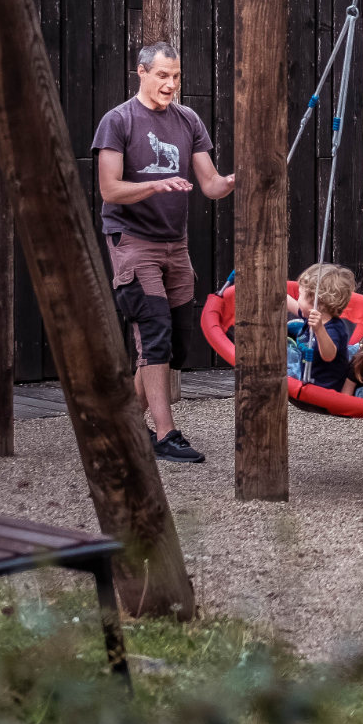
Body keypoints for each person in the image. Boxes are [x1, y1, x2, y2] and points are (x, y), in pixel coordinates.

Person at [94, 41, 234, 463]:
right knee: (153, 335)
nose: (170, 84)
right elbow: (109, 189)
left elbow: (210, 185)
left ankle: (122, 425)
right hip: (133, 242)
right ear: (141, 72)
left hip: (176, 246)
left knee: (173, 346)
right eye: (162, 76)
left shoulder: (188, 120)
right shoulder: (118, 121)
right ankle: (166, 433)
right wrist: (156, 184)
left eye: (175, 77)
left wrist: (238, 178)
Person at [285, 264, 357, 391]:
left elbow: (329, 355)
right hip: (307, 369)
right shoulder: (310, 314)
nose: (298, 297)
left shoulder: (334, 329)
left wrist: (319, 330)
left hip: (324, 386)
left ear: (317, 303)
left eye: (300, 294)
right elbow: (293, 305)